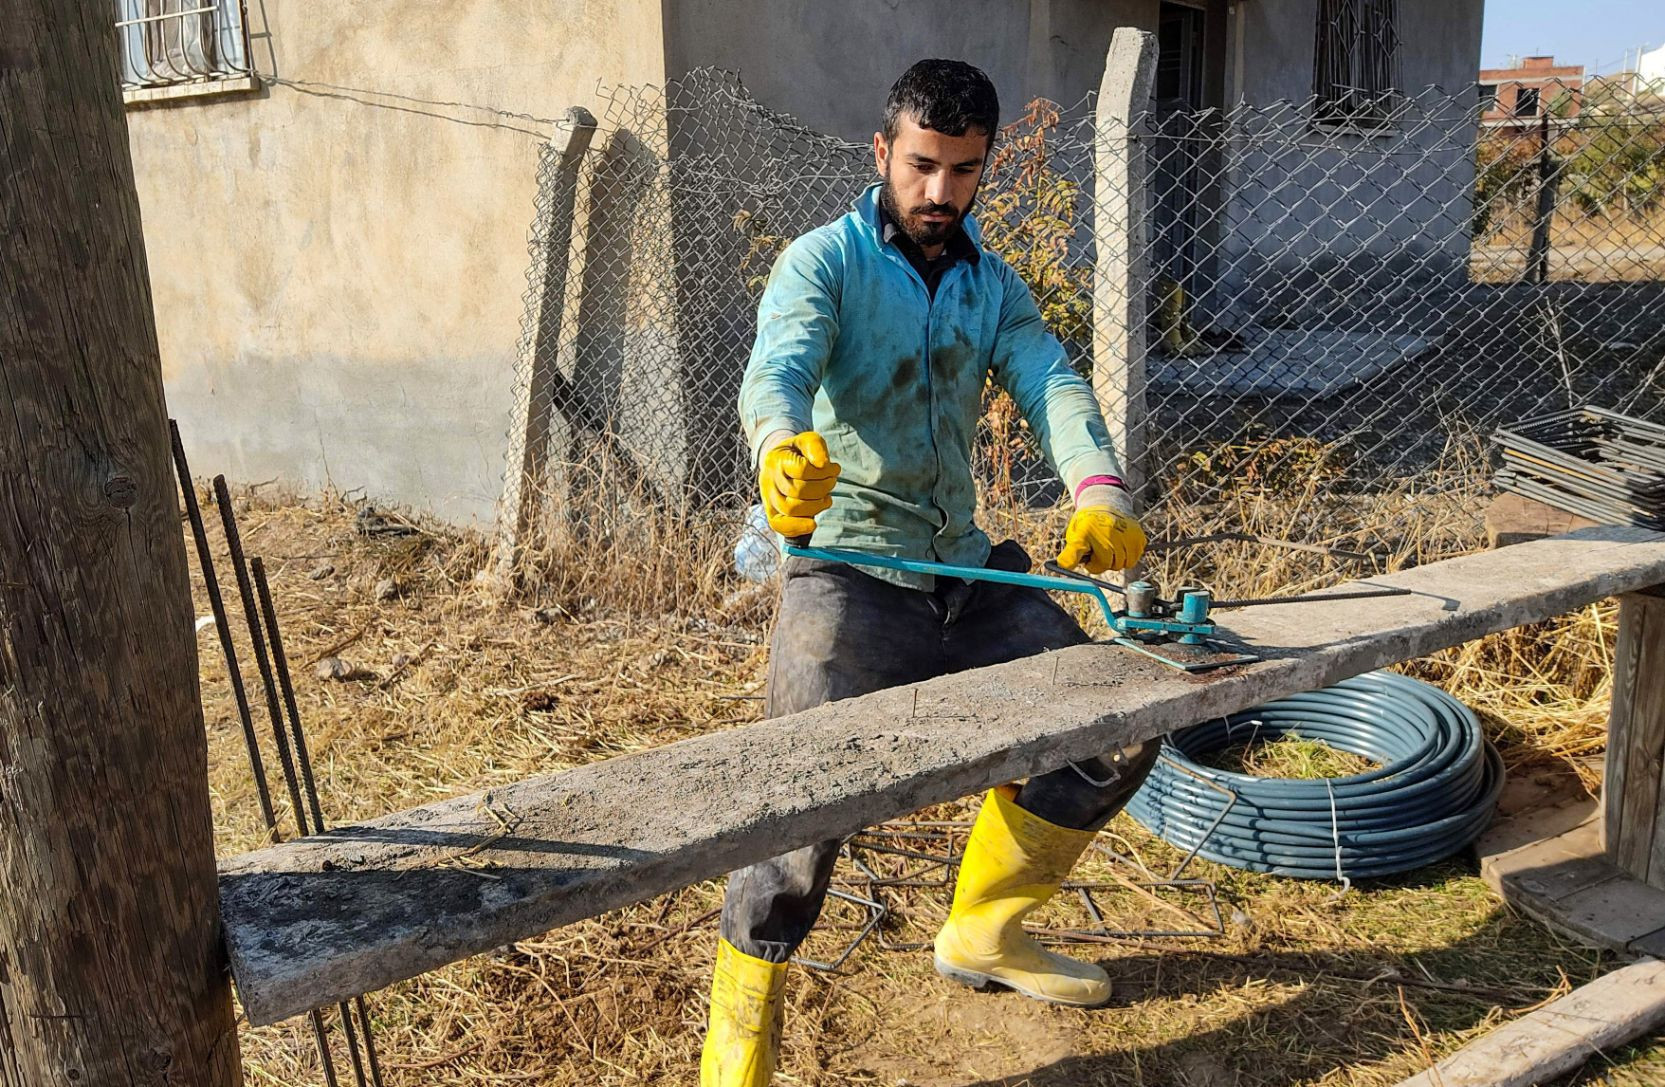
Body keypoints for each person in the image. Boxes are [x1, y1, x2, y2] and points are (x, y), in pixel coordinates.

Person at [702, 58, 1160, 1087]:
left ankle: (986, 931)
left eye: (964, 170)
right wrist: (780, 449)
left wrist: (1097, 488)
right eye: (921, 165)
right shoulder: (821, 263)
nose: (940, 192)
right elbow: (777, 367)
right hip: (848, 570)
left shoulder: (993, 287)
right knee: (799, 801)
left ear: (985, 168)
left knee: (1118, 727)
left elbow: (1050, 378)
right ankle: (739, 1031)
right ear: (882, 154)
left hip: (965, 573)